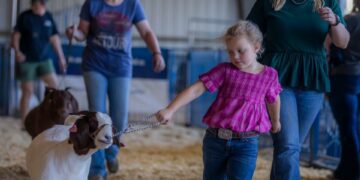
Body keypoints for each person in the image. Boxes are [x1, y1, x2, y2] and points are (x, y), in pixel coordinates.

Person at [156, 20, 282, 180]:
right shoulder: (224, 70)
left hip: (247, 143)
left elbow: (274, 99)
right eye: (230, 52)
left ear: (256, 47)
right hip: (215, 141)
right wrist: (170, 109)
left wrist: (276, 121)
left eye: (240, 50)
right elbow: (196, 89)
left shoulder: (269, 75)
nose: (235, 56)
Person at [247, 0, 350, 179]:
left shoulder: (328, 2)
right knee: (288, 145)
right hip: (276, 79)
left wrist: (335, 21)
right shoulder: (268, 2)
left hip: (312, 78)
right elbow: (247, 34)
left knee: (290, 148)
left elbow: (343, 42)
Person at [65, 0, 165, 179]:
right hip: (94, 64)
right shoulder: (92, 4)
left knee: (120, 118)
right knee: (97, 115)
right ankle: (97, 168)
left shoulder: (132, 5)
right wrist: (74, 33)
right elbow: (82, 33)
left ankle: (111, 153)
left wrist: (156, 52)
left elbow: (146, 31)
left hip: (121, 66)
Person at [11, 0, 66, 125]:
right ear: (32, 5)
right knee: (28, 91)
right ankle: (24, 122)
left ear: (44, 5)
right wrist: (17, 52)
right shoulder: (25, 16)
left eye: (39, 4)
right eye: (34, 4)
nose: (36, 7)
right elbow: (16, 35)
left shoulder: (48, 17)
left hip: (45, 59)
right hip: (27, 60)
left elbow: (54, 38)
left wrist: (61, 57)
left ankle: (49, 117)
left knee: (54, 86)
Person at [328, 0, 360, 179]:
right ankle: (345, 170)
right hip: (355, 76)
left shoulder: (349, 20)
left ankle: (352, 173)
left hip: (344, 77)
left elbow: (332, 45)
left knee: (348, 128)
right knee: (354, 127)